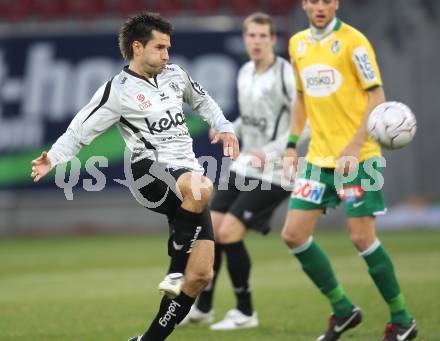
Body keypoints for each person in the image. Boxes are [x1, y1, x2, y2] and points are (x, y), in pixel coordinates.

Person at [30, 12, 239, 341]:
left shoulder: (175, 76)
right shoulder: (118, 90)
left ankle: (149, 338)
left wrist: (224, 126)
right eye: (160, 48)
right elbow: (81, 129)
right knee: (201, 189)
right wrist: (53, 158)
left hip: (186, 173)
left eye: (169, 48)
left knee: (200, 276)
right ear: (138, 47)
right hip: (148, 172)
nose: (167, 55)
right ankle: (174, 266)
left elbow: (203, 101)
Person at [281, 1, 417, 341]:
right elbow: (301, 98)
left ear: (336, 3)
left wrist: (356, 146)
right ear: (305, 4)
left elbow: (377, 96)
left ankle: (402, 319)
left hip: (359, 158)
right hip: (319, 159)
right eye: (314, 0)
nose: (320, 6)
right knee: (294, 235)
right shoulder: (297, 43)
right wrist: (290, 144)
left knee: (361, 237)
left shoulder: (355, 42)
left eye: (327, 0)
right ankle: (343, 310)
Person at [180, 12, 307, 330]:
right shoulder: (245, 72)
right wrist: (230, 129)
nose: (257, 41)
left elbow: (306, 124)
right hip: (244, 165)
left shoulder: (287, 76)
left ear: (273, 40)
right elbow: (250, 119)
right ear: (245, 38)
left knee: (228, 233)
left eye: (263, 36)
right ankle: (204, 308)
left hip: (276, 170)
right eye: (252, 35)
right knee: (211, 232)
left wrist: (274, 150)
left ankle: (246, 312)